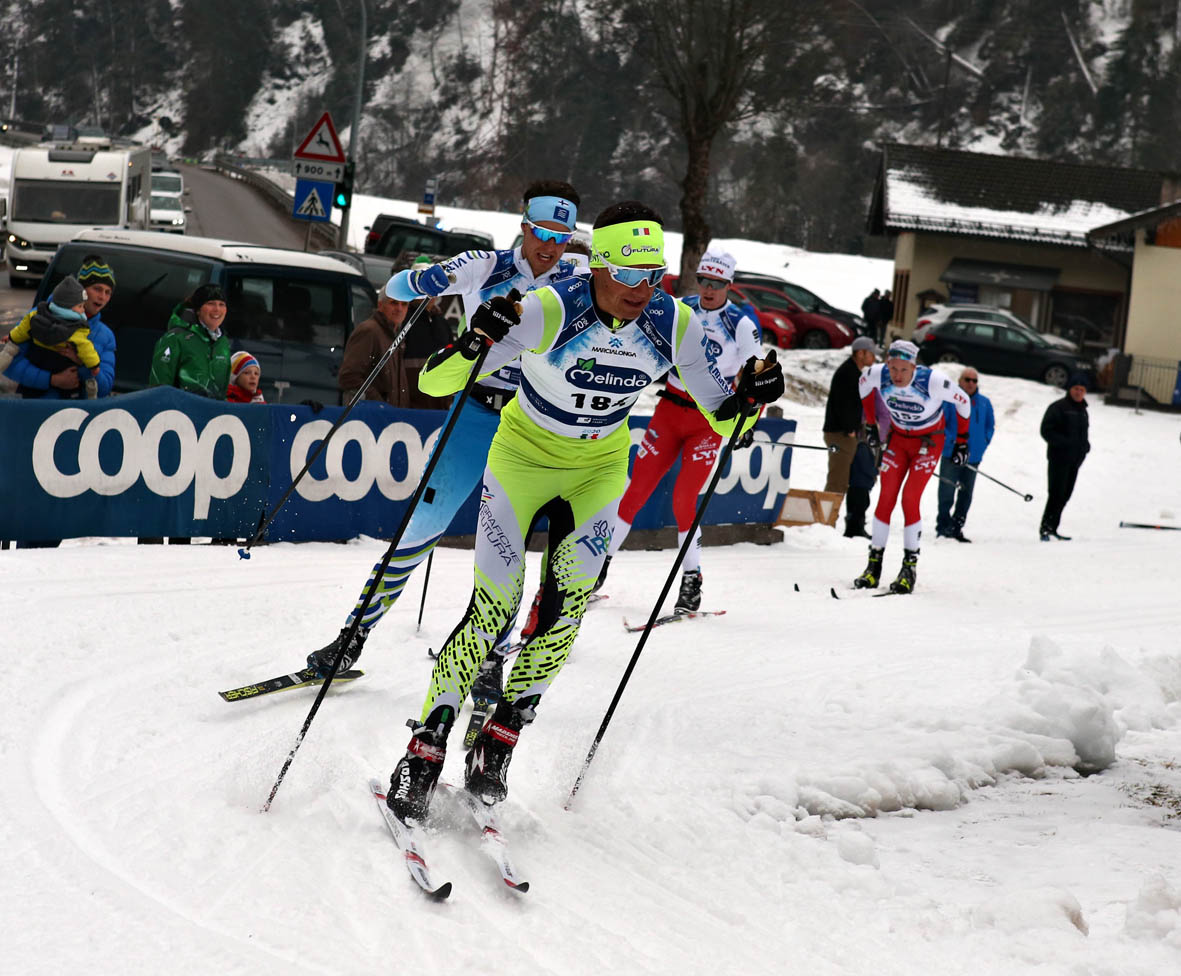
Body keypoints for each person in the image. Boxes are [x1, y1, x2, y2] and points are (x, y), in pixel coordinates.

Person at [384, 200, 782, 823]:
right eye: (625, 275)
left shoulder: (673, 322)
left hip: (598, 471)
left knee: (567, 604)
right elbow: (437, 384)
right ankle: (426, 745)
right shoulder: (549, 308)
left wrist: (753, 399)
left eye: (651, 275)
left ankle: (499, 740)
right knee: (496, 604)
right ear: (595, 266)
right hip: (521, 459)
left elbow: (723, 418)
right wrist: (478, 339)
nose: (638, 289)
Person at [303, 180, 583, 681]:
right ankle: (352, 637)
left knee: (508, 547)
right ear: (524, 226)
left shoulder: (578, 279)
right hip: (474, 413)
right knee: (418, 530)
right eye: (542, 231)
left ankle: (490, 661)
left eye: (562, 236)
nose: (550, 245)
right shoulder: (487, 266)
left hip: (533, 423)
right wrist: (422, 280)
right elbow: (399, 288)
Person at [600, 249, 762, 612]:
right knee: (634, 490)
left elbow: (759, 374)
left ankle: (691, 581)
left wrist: (751, 417)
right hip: (670, 411)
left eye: (717, 283)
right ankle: (598, 569)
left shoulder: (741, 324)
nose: (709, 289)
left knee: (683, 500)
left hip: (709, 420)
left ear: (729, 286)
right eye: (704, 280)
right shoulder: (679, 307)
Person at [852, 339, 970, 594]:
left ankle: (909, 568)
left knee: (910, 498)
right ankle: (874, 566)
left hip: (928, 442)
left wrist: (962, 442)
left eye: (904, 370)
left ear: (914, 367)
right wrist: (871, 424)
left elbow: (964, 402)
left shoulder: (933, 381)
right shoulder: (877, 374)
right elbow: (863, 387)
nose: (897, 375)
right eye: (893, 368)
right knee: (885, 498)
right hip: (899, 439)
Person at [0, 276, 100, 398]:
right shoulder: (77, 328)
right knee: (71, 395)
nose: (82, 310)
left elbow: (21, 330)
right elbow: (86, 348)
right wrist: (93, 365)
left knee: (30, 395)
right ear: (68, 306)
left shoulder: (36, 315)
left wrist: (12, 337)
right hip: (61, 367)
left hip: (37, 360)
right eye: (80, 306)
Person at [823, 335, 879, 536]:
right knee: (837, 481)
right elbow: (844, 405)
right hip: (840, 434)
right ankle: (825, 525)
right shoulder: (848, 373)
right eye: (871, 354)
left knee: (849, 479)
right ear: (861, 353)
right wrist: (850, 428)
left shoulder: (854, 372)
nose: (873, 358)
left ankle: (839, 524)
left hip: (846, 433)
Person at [935, 367, 994, 542]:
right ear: (959, 381)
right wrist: (951, 443)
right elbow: (941, 424)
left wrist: (983, 442)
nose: (970, 383)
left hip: (973, 457)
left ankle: (957, 526)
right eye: (967, 380)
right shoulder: (951, 401)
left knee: (966, 494)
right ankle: (943, 526)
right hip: (951, 455)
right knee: (946, 491)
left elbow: (989, 426)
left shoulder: (984, 403)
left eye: (974, 380)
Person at [148, 283, 232, 398]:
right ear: (198, 310)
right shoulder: (175, 338)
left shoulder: (223, 343)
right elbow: (158, 386)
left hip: (213, 413)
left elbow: (223, 391)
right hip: (180, 412)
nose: (217, 309)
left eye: (221, 304)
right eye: (210, 303)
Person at [338, 288, 413, 405]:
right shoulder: (369, 331)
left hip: (392, 417)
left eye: (404, 304)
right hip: (370, 417)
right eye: (394, 303)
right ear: (380, 304)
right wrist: (378, 403)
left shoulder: (397, 335)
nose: (399, 309)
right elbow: (349, 376)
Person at [1038, 373, 1090, 541]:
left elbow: (1083, 434)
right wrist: (1063, 443)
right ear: (1070, 389)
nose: (1078, 392)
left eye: (1081, 390)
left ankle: (1053, 528)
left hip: (1074, 461)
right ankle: (1045, 528)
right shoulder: (1058, 407)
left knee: (1066, 495)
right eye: (1076, 388)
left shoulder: (1083, 411)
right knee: (1056, 493)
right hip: (1058, 459)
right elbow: (1046, 430)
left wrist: (1085, 447)